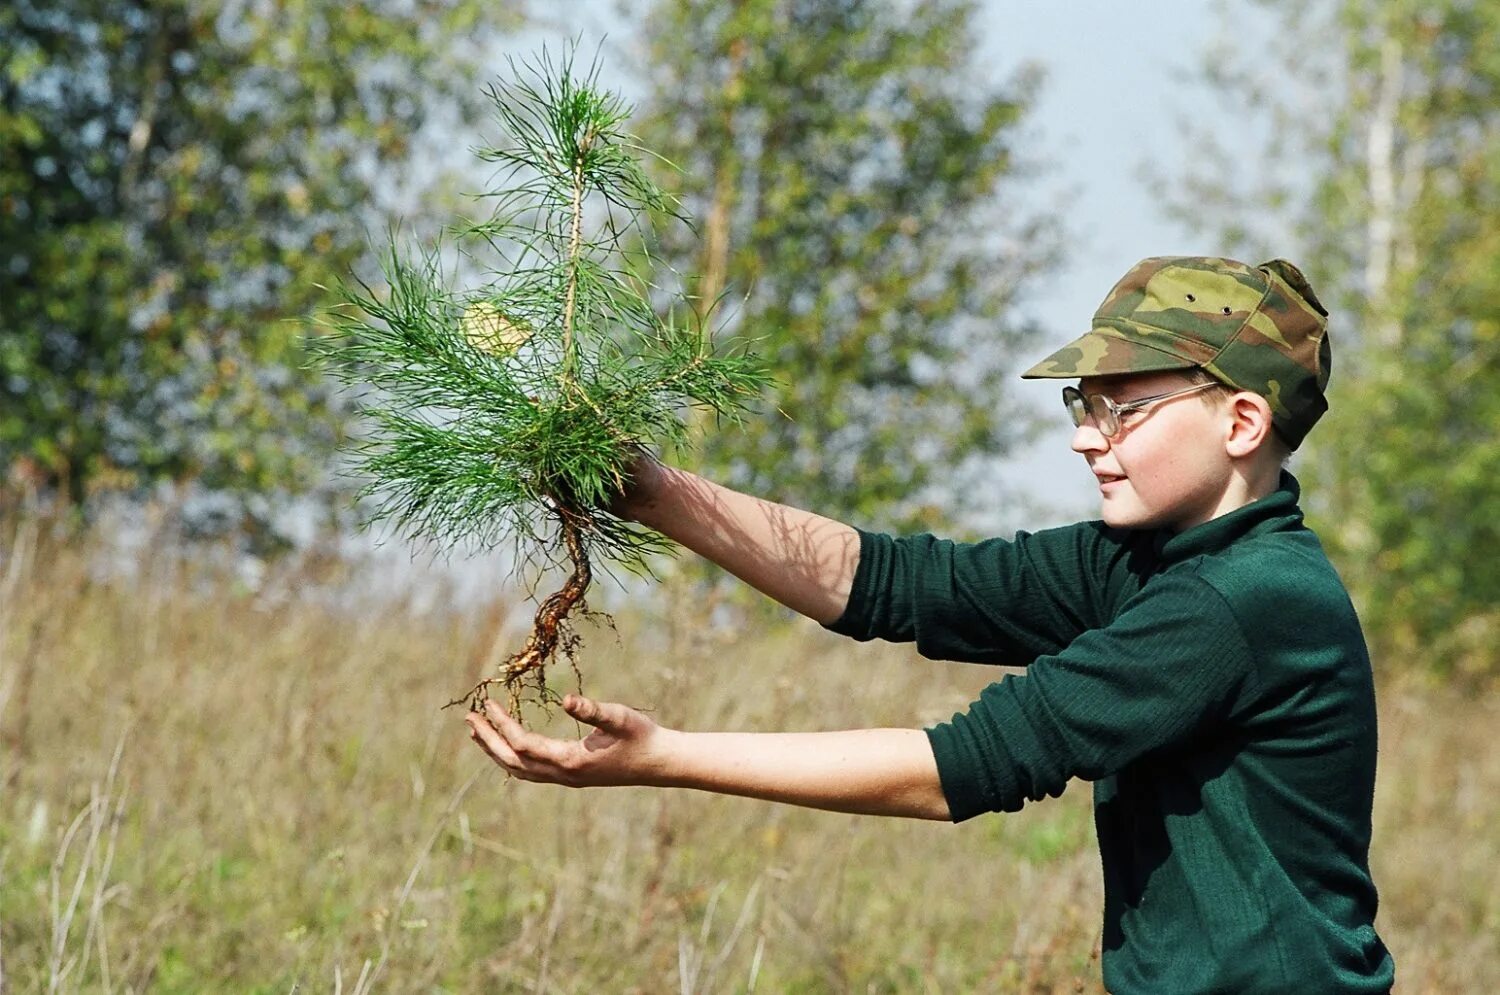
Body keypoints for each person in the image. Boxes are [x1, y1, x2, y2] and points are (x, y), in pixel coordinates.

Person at [466, 256, 1395, 993]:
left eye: (1125, 407)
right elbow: (899, 584)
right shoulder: (1149, 558)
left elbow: (961, 766)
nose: (1084, 434)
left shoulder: (1237, 600)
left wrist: (665, 757)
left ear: (1240, 421)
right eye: (1084, 404)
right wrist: (652, 490)